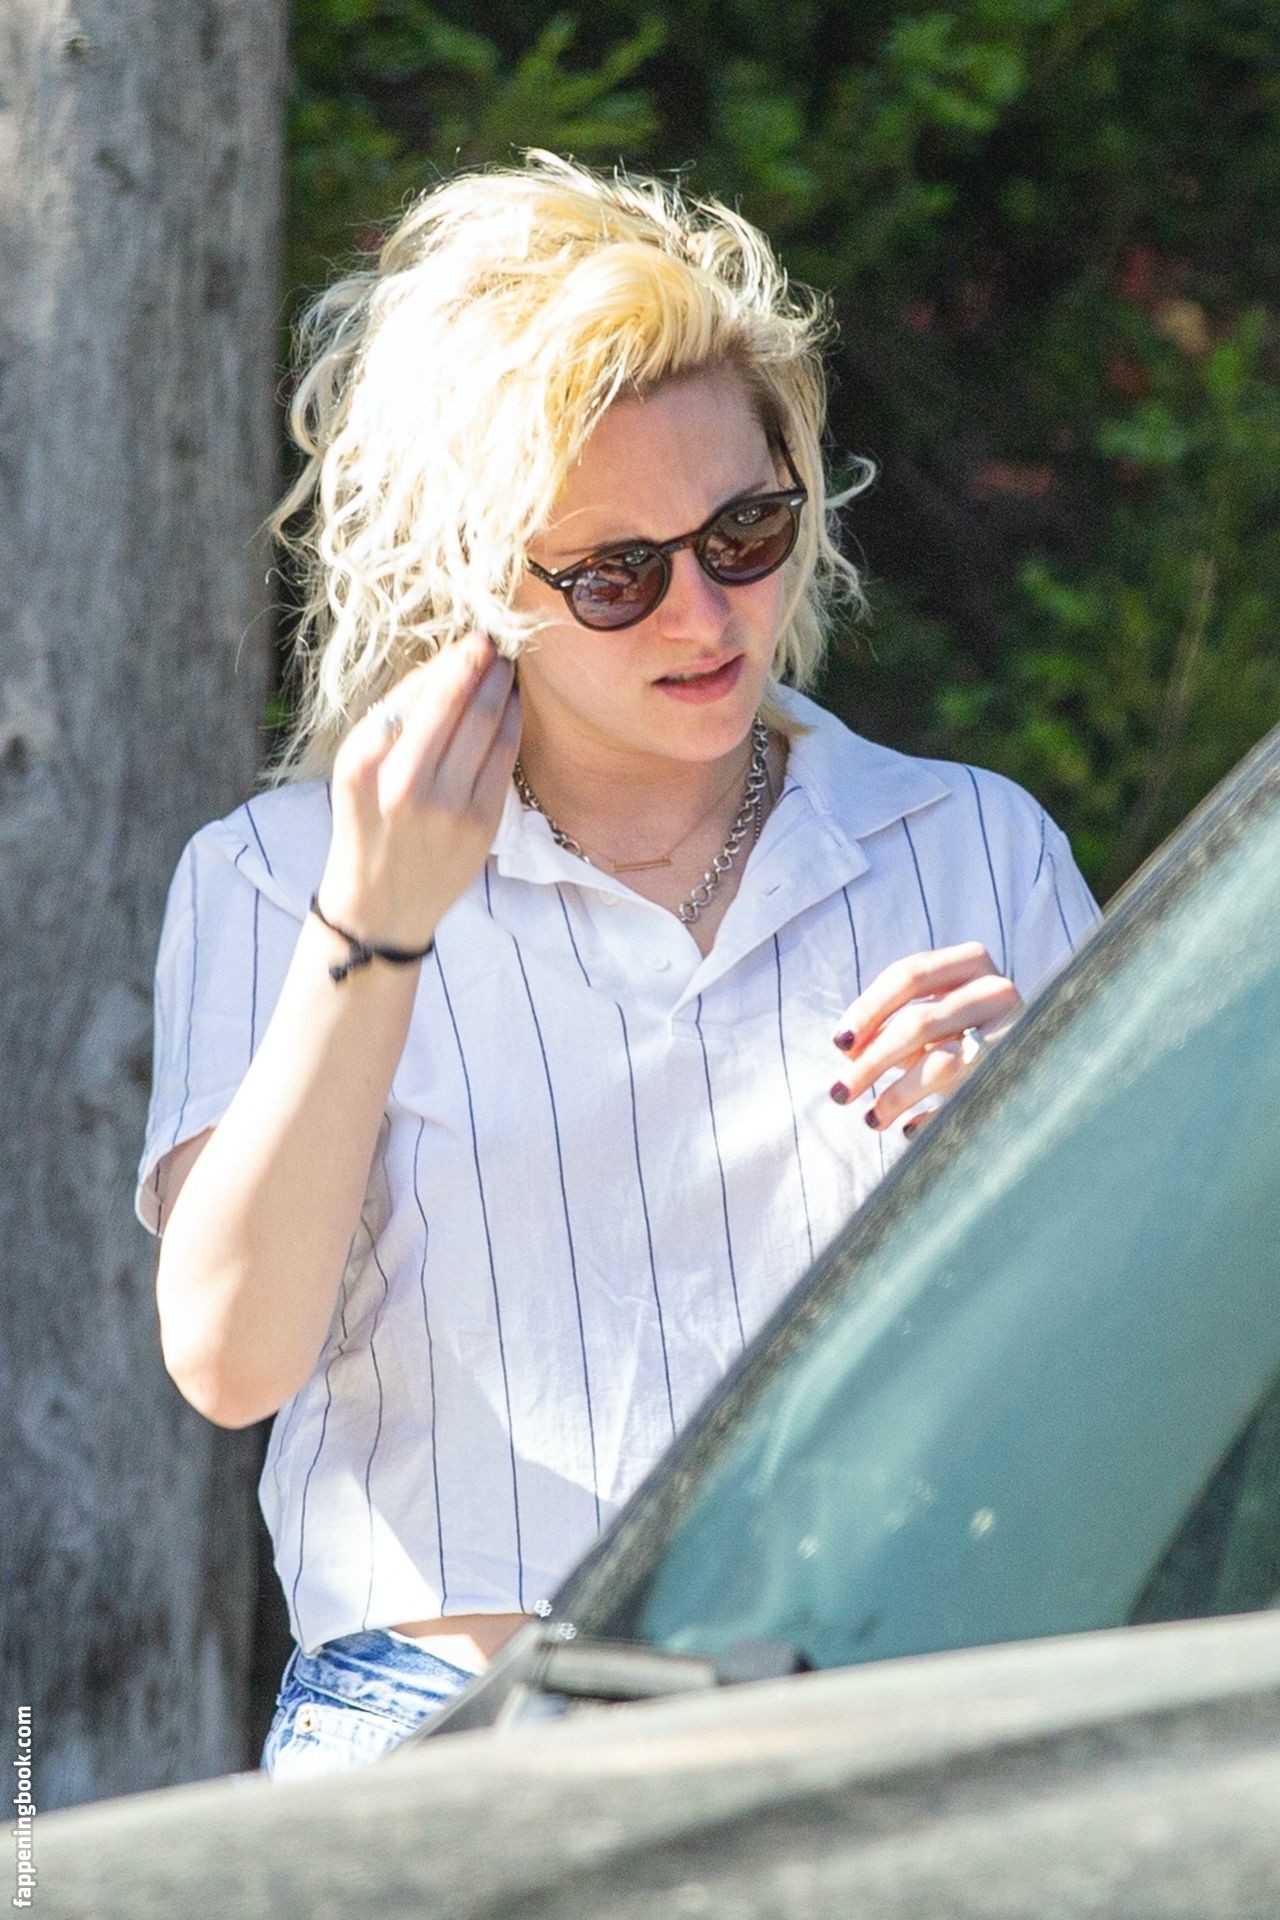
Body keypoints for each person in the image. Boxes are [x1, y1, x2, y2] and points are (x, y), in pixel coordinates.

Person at [138, 152, 1099, 1781]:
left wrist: (1029, 1162)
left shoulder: (973, 847)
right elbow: (231, 1358)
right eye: (613, 573)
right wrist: (376, 927)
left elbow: (1129, 1374)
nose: (703, 615)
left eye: (744, 530)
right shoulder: (276, 876)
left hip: (888, 1718)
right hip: (447, 1739)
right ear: (472, 579)